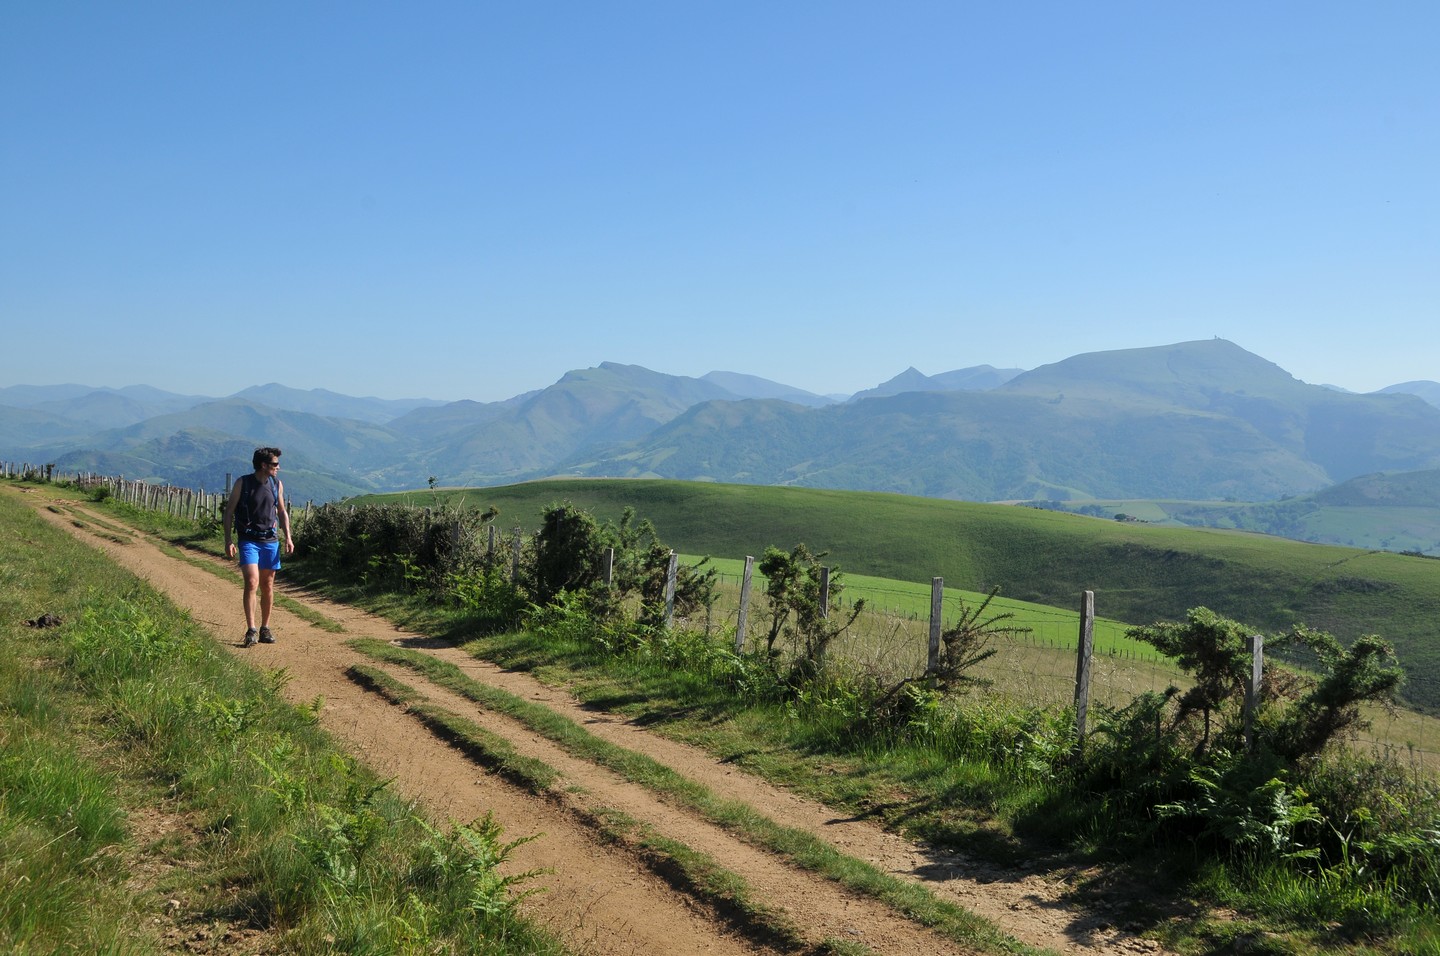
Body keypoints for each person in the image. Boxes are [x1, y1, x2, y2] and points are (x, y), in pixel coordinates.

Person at [223, 446, 295, 646]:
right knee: (252, 582)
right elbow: (229, 512)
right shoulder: (242, 483)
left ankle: (265, 628)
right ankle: (251, 629)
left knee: (268, 584)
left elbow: (281, 512)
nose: (278, 467)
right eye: (274, 464)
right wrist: (228, 540)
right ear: (263, 465)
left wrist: (288, 537)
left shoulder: (276, 484)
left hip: (270, 541)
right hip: (248, 541)